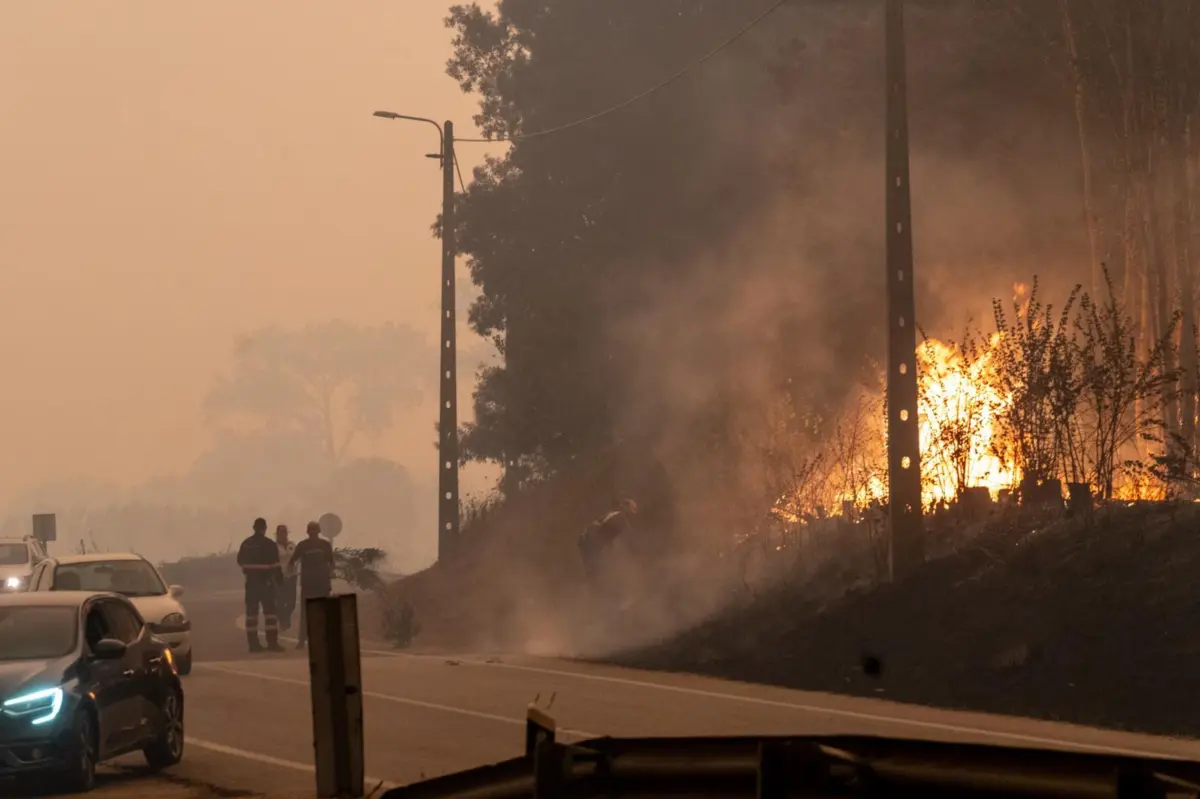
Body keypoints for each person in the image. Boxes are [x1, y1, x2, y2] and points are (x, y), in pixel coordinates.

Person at [236, 517, 284, 653]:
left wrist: (249, 569)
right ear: (265, 528)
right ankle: (272, 643)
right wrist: (280, 581)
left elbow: (240, 561)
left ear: (254, 527)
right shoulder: (269, 544)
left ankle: (253, 645)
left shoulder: (246, 544)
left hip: (251, 583)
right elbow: (276, 565)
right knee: (270, 614)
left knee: (251, 614)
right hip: (266, 583)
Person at [577, 498, 638, 599]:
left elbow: (606, 534)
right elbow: (599, 530)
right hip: (590, 544)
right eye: (633, 509)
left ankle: (596, 598)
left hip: (590, 544)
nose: (634, 513)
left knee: (597, 575)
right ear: (626, 507)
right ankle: (598, 600)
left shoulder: (617, 516)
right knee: (599, 575)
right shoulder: (620, 517)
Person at [288, 520, 335, 649]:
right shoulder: (302, 545)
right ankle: (302, 640)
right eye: (311, 529)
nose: (313, 532)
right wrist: (290, 576)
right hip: (308, 584)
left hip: (322, 583)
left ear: (319, 531)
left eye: (315, 529)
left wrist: (331, 573)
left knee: (323, 611)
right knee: (306, 612)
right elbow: (292, 561)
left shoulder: (325, 545)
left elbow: (331, 563)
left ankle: (324, 639)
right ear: (308, 531)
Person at [274, 525, 298, 631]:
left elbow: (298, 557)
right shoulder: (273, 547)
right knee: (279, 602)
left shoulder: (292, 545)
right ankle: (283, 621)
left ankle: (286, 618)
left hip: (292, 577)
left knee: (291, 603)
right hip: (279, 577)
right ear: (277, 533)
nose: (283, 534)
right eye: (280, 532)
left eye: (284, 532)